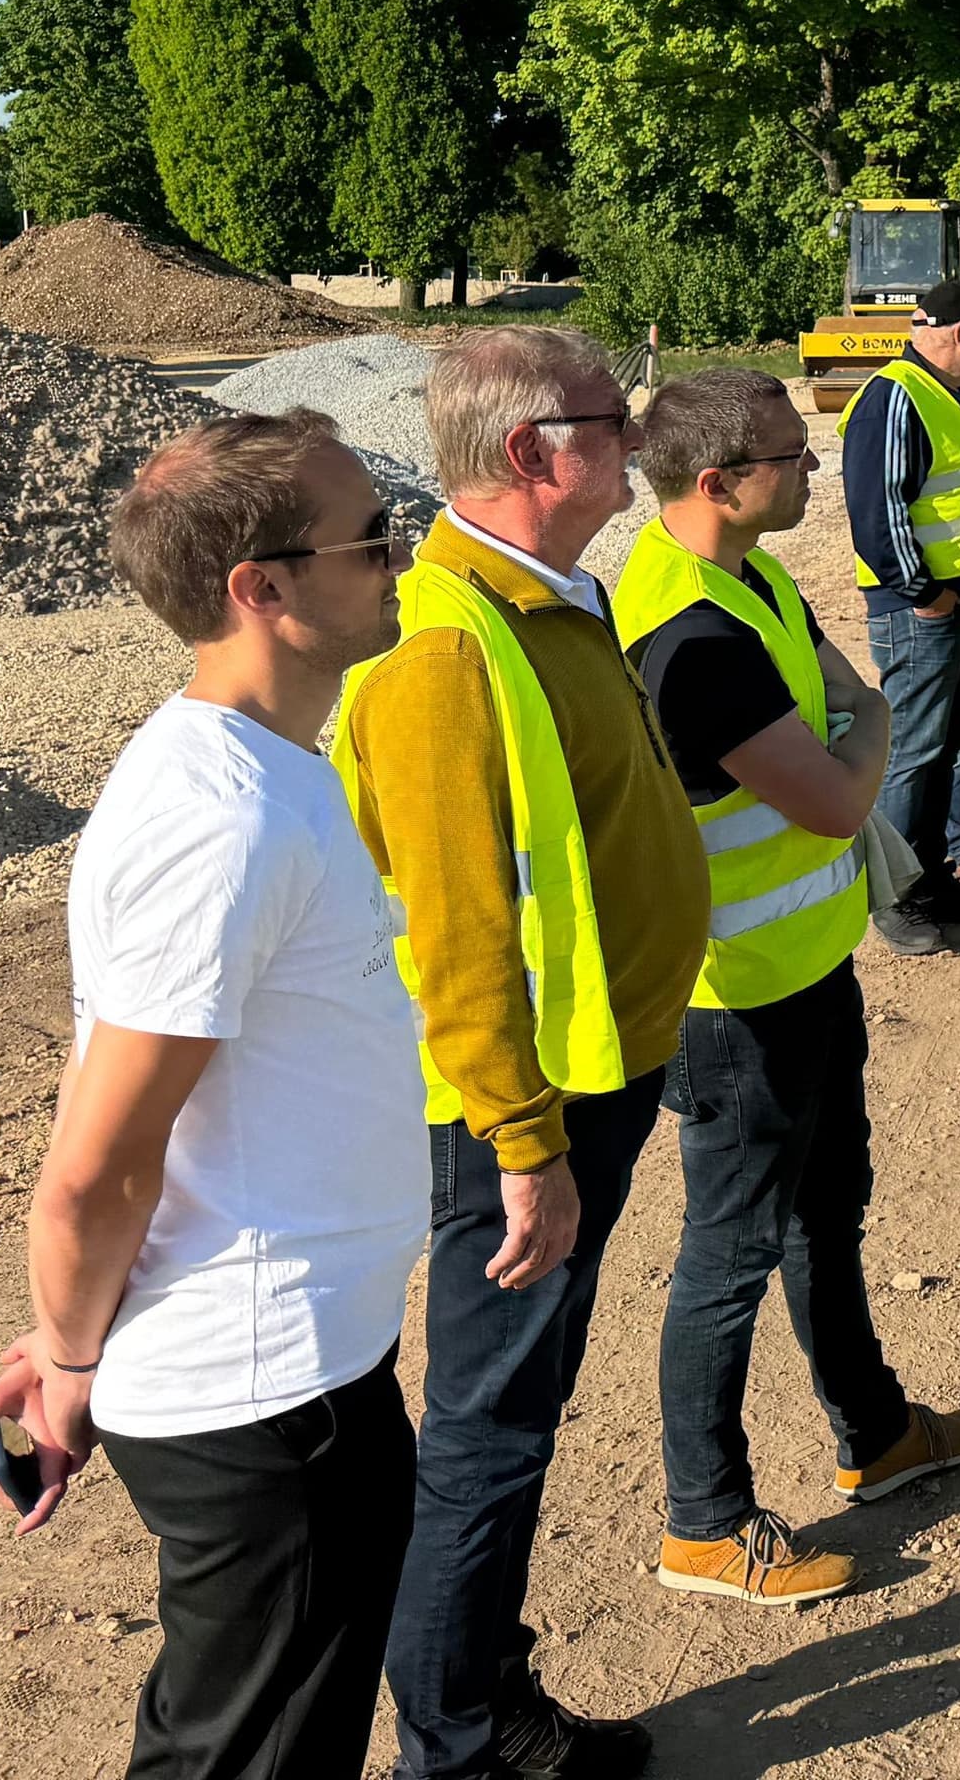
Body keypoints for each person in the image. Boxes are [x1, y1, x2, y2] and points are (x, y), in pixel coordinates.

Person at [0, 412, 425, 1780]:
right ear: (261, 590)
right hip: (262, 1402)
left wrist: (69, 1345)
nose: (403, 555)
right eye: (372, 537)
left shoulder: (271, 773)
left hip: (301, 1367)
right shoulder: (222, 821)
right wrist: (70, 1359)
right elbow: (97, 1165)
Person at [338, 327, 709, 1780]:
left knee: (520, 1409)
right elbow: (458, 934)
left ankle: (483, 1695)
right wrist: (522, 1144)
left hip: (592, 1073)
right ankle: (462, 1740)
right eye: (613, 420)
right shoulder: (442, 647)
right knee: (491, 1430)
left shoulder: (555, 597)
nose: (636, 438)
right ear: (530, 453)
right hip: (527, 1111)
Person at [618, 371, 960, 1611]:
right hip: (736, 1006)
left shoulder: (750, 579)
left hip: (804, 973)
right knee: (727, 1258)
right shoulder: (689, 633)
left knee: (825, 1215)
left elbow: (852, 718)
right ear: (721, 483)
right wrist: (868, 730)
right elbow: (845, 785)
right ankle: (703, 1521)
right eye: (790, 458)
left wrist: (862, 727)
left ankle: (874, 1434)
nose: (811, 473)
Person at [840, 276, 960, 946]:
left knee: (946, 745)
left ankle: (929, 875)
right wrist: (925, 596)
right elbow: (877, 517)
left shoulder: (946, 392)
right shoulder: (894, 398)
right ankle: (897, 898)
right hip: (921, 606)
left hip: (952, 599)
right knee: (915, 749)